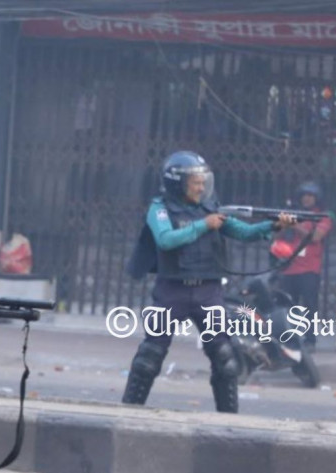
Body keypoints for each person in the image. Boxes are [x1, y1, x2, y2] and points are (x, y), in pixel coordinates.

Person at [121, 151, 293, 413]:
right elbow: (166, 239)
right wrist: (203, 225)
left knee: (224, 357)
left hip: (207, 292)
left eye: (203, 181)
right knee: (150, 356)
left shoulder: (211, 208)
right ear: (177, 182)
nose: (201, 187)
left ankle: (228, 418)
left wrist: (273, 226)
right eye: (195, 182)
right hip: (172, 291)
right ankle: (128, 413)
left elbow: (244, 232)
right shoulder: (160, 208)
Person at [271, 181, 333, 351]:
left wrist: (295, 225)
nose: (306, 199)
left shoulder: (323, 217)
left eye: (310, 196)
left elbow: (315, 237)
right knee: (286, 307)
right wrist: (283, 224)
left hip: (309, 269)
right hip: (290, 268)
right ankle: (287, 339)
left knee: (309, 307)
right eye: (304, 195)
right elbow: (276, 236)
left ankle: (310, 339)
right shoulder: (294, 214)